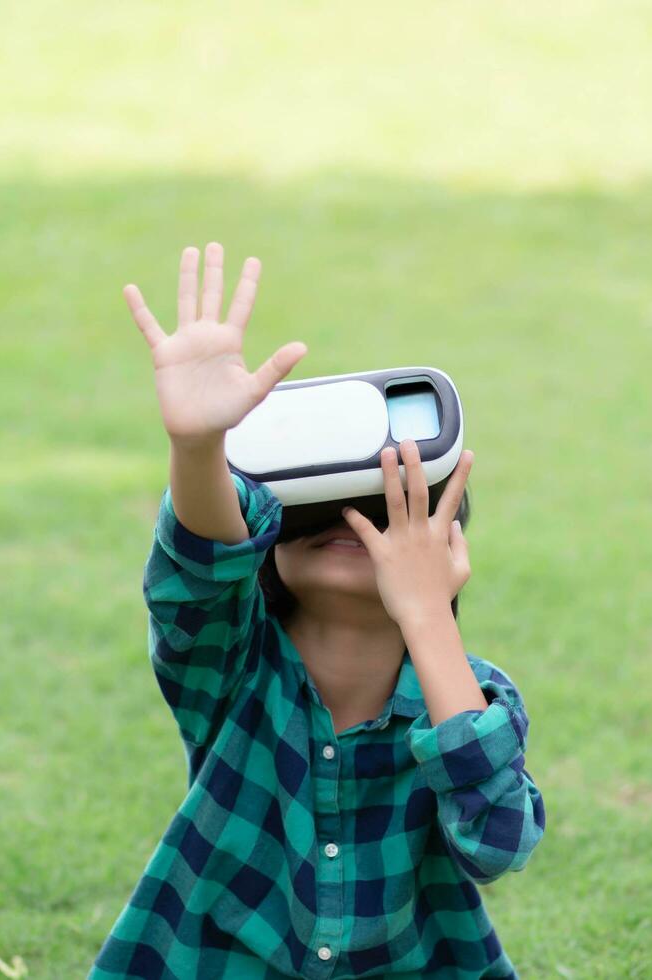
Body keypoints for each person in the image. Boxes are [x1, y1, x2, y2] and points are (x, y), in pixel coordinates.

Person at [91, 243, 545, 978]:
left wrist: (427, 616)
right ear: (269, 550)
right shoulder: (233, 666)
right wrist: (200, 444)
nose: (351, 518)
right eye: (315, 509)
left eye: (388, 507)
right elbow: (199, 570)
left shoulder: (472, 697)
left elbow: (497, 841)